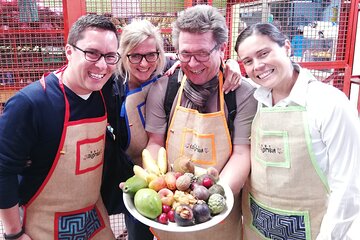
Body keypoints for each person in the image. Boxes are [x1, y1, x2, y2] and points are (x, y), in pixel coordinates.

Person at [101, 18, 244, 240]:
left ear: (161, 53)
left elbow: (200, 61)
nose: (144, 63)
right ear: (123, 55)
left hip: (165, 170)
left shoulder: (169, 71)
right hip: (134, 170)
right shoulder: (111, 85)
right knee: (140, 226)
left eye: (151, 55)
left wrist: (231, 63)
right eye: (134, 56)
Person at [235, 22, 360, 240]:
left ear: (286, 48)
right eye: (248, 61)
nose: (258, 66)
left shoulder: (328, 103)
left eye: (264, 53)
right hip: (257, 228)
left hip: (313, 231)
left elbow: (348, 186)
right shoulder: (257, 98)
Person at [0, 14, 120, 239]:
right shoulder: (30, 103)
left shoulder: (105, 93)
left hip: (93, 217)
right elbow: (3, 170)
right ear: (69, 51)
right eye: (92, 53)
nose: (102, 65)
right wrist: (14, 233)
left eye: (110, 56)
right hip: (43, 224)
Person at [144, 5, 258, 240]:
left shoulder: (240, 95)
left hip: (220, 219)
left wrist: (215, 198)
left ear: (222, 49)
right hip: (172, 213)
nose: (193, 63)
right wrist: (157, 184)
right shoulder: (164, 89)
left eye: (203, 54)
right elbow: (154, 142)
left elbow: (241, 152)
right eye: (185, 54)